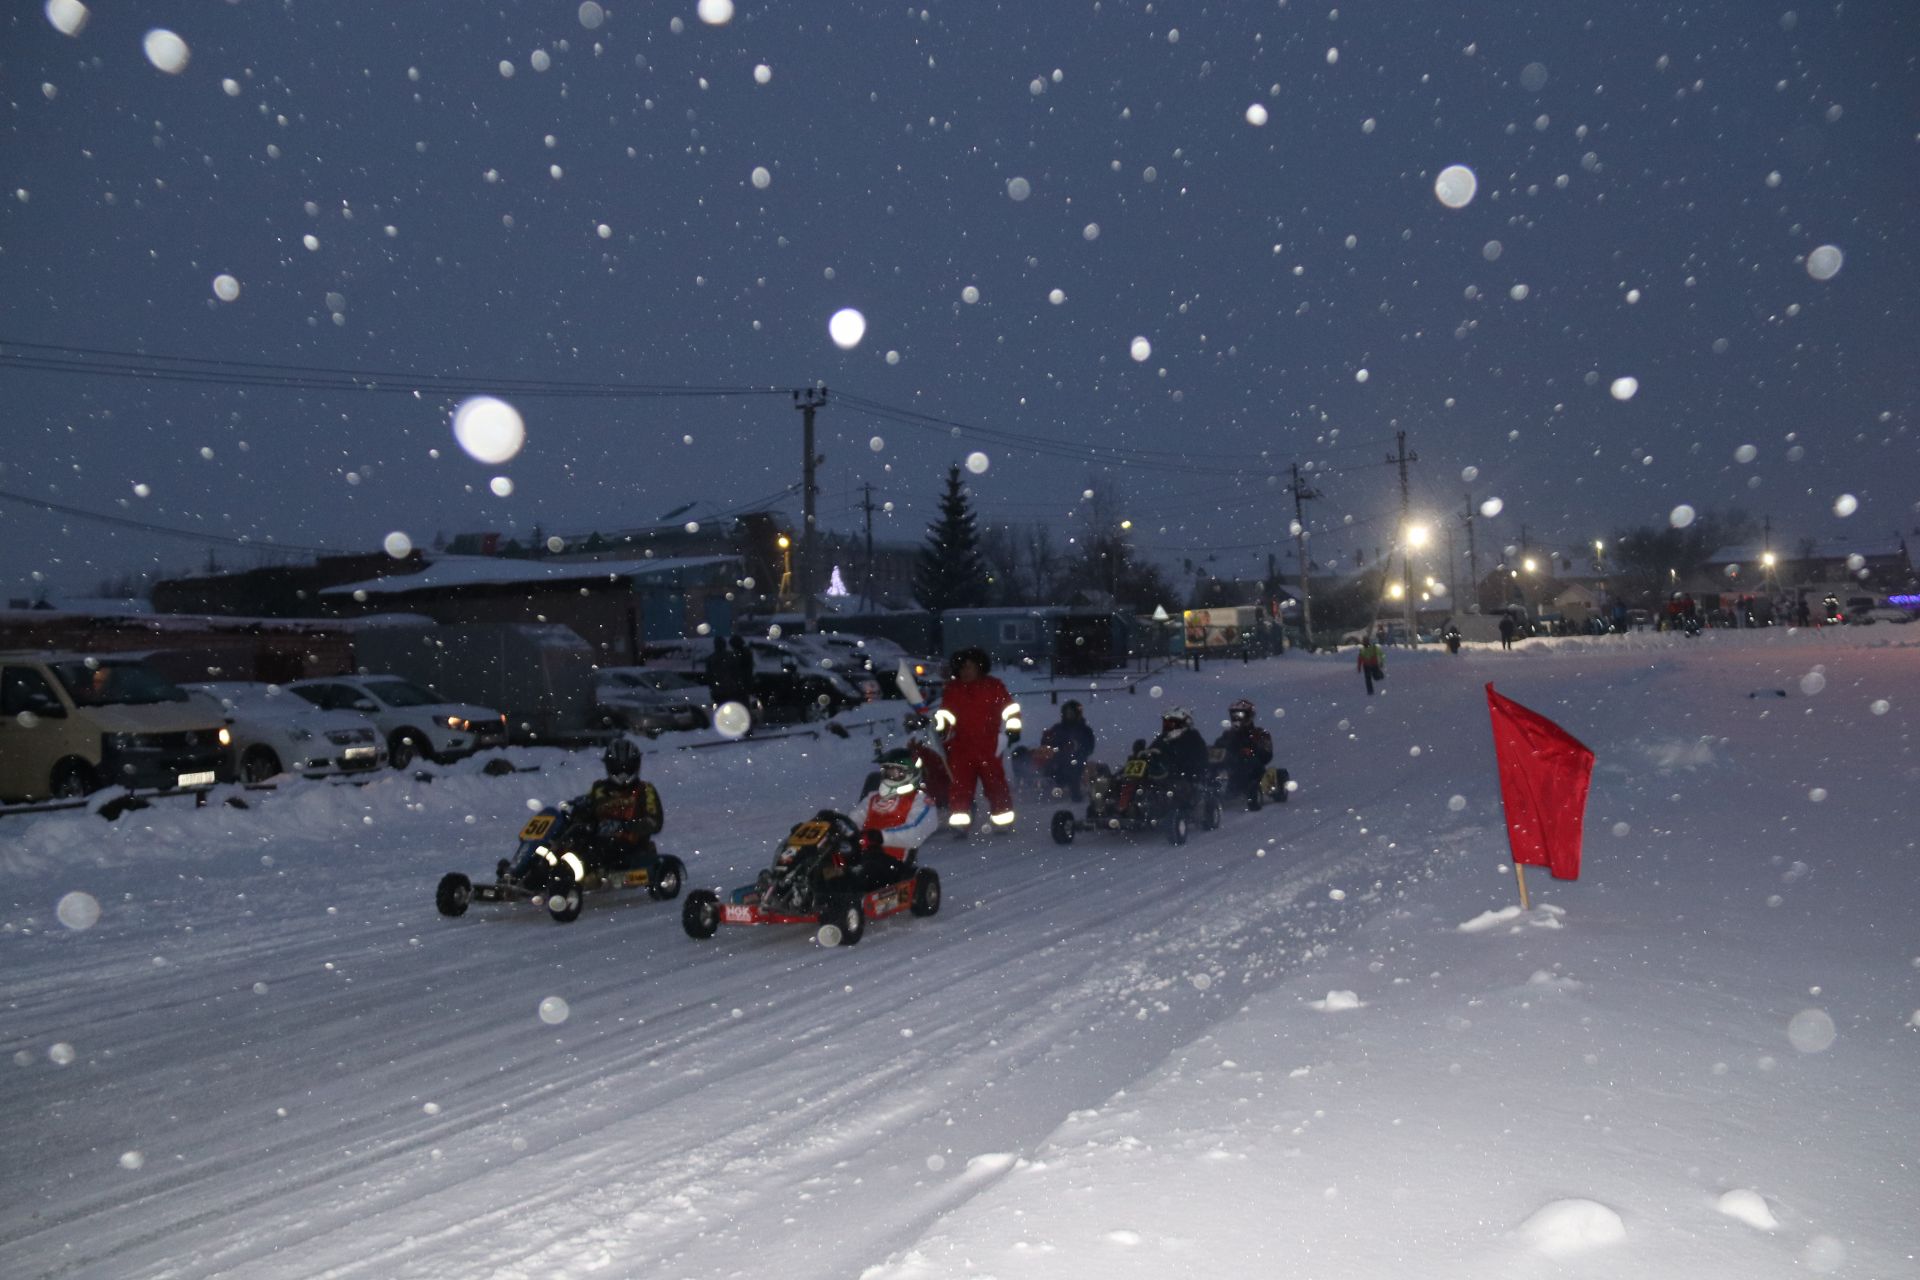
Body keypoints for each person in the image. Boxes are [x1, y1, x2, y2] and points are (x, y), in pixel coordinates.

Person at [932, 646, 1019, 832]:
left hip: (989, 745)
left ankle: (1002, 819)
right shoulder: (953, 689)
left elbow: (1010, 709)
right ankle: (960, 823)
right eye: (962, 667)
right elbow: (945, 714)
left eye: (969, 667)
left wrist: (1013, 729)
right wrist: (940, 726)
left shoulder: (994, 686)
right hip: (961, 747)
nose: (965, 671)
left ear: (979, 667)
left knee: (995, 784)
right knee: (960, 787)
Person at [567, 737, 663, 872]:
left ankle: (571, 876)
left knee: (594, 849)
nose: (623, 773)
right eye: (618, 768)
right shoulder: (599, 789)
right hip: (598, 840)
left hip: (630, 844)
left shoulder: (645, 789)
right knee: (569, 839)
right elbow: (587, 814)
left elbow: (654, 822)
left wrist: (623, 826)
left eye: (627, 767)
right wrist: (580, 809)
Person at [850, 748, 938, 884]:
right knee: (827, 864)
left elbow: (915, 832)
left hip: (892, 860)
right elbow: (853, 821)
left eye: (894, 772)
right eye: (886, 772)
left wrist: (881, 837)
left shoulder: (921, 801)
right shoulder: (873, 797)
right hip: (861, 853)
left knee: (863, 871)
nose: (889, 777)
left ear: (909, 773)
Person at [1145, 706, 1210, 816]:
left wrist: (1176, 766)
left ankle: (1175, 813)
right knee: (1133, 783)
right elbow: (1152, 752)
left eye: (1171, 723)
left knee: (1171, 789)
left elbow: (1199, 760)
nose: (1167, 726)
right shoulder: (1162, 739)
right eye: (1166, 723)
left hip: (1183, 778)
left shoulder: (1192, 738)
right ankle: (1125, 807)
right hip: (1159, 775)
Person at [1211, 699, 1274, 809]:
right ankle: (1211, 791)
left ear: (1249, 715)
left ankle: (1253, 791)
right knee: (1211, 766)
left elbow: (1266, 755)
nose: (1237, 718)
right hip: (1231, 768)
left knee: (1247, 763)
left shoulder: (1259, 733)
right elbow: (1218, 748)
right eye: (1234, 715)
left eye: (1240, 714)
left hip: (1253, 769)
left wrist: (1252, 749)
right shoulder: (1228, 735)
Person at [1038, 699, 1096, 801]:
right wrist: (1046, 740)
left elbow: (1088, 747)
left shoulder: (1084, 730)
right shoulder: (1057, 728)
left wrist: (1075, 747)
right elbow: (1048, 742)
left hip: (1076, 760)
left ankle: (1076, 793)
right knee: (1023, 755)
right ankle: (1030, 786)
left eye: (1071, 713)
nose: (1069, 715)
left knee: (1071, 767)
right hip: (1056, 759)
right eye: (1067, 713)